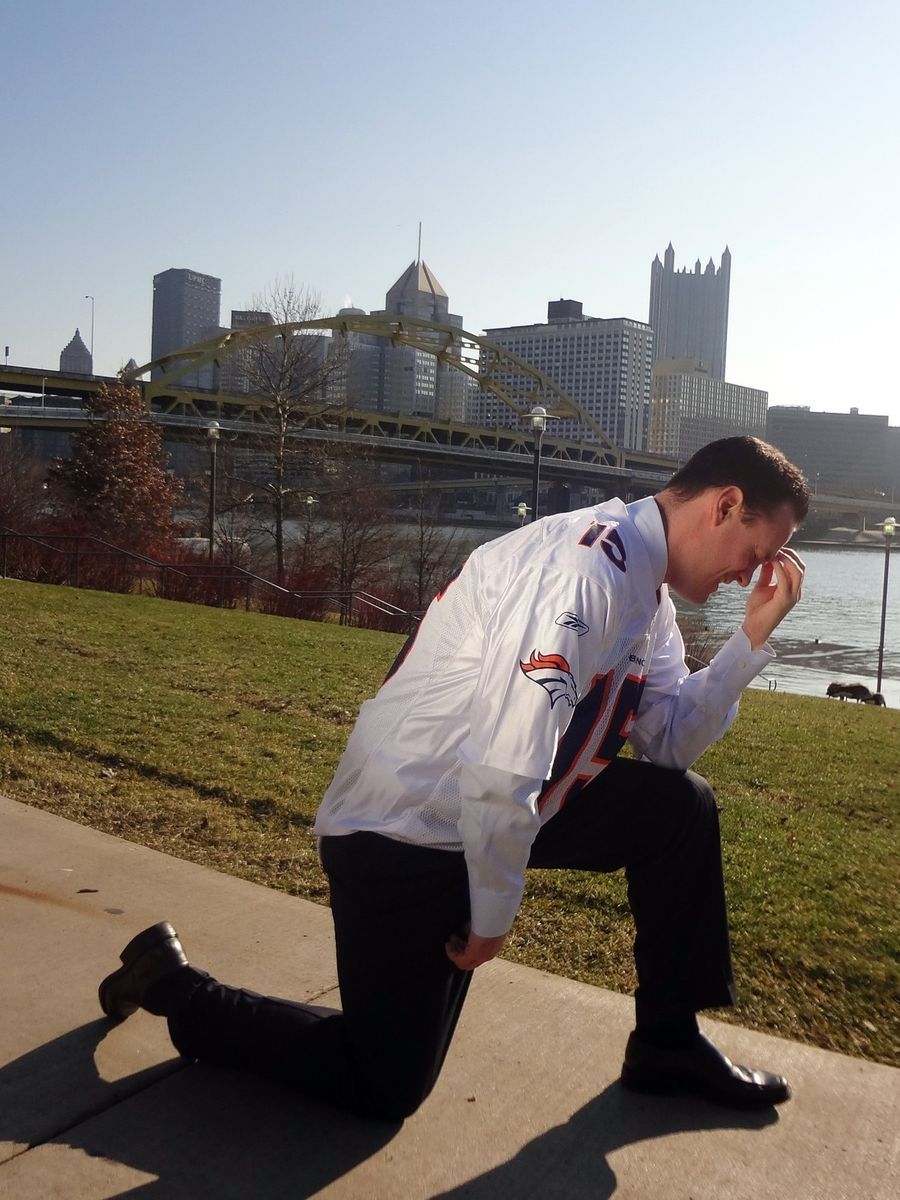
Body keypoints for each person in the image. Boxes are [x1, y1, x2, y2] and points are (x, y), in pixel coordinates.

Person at [99, 436, 808, 1121]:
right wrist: (492, 913)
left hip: (501, 809)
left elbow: (667, 749)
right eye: (753, 555)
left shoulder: (646, 599)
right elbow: (504, 764)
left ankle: (667, 1046)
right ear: (724, 504)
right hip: (402, 830)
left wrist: (749, 643)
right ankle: (175, 986)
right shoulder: (586, 571)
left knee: (679, 809)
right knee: (383, 1083)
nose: (748, 576)